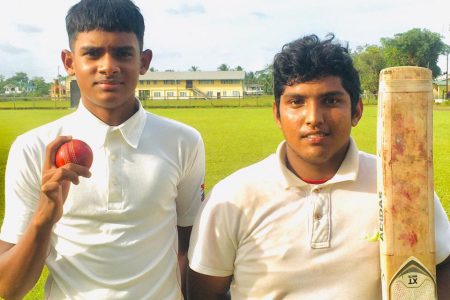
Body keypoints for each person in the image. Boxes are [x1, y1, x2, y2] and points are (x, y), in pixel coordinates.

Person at [187, 34, 450, 299]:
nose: (314, 118)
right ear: (277, 114)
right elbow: (204, 292)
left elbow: (443, 270)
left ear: (356, 110)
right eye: (296, 102)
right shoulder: (233, 196)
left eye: (331, 100)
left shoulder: (403, 186)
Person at [0, 0, 205, 299]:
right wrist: (44, 218)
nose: (108, 66)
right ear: (69, 62)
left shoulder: (183, 141)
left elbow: (189, 248)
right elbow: (9, 287)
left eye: (123, 53)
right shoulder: (34, 147)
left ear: (144, 61)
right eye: (92, 53)